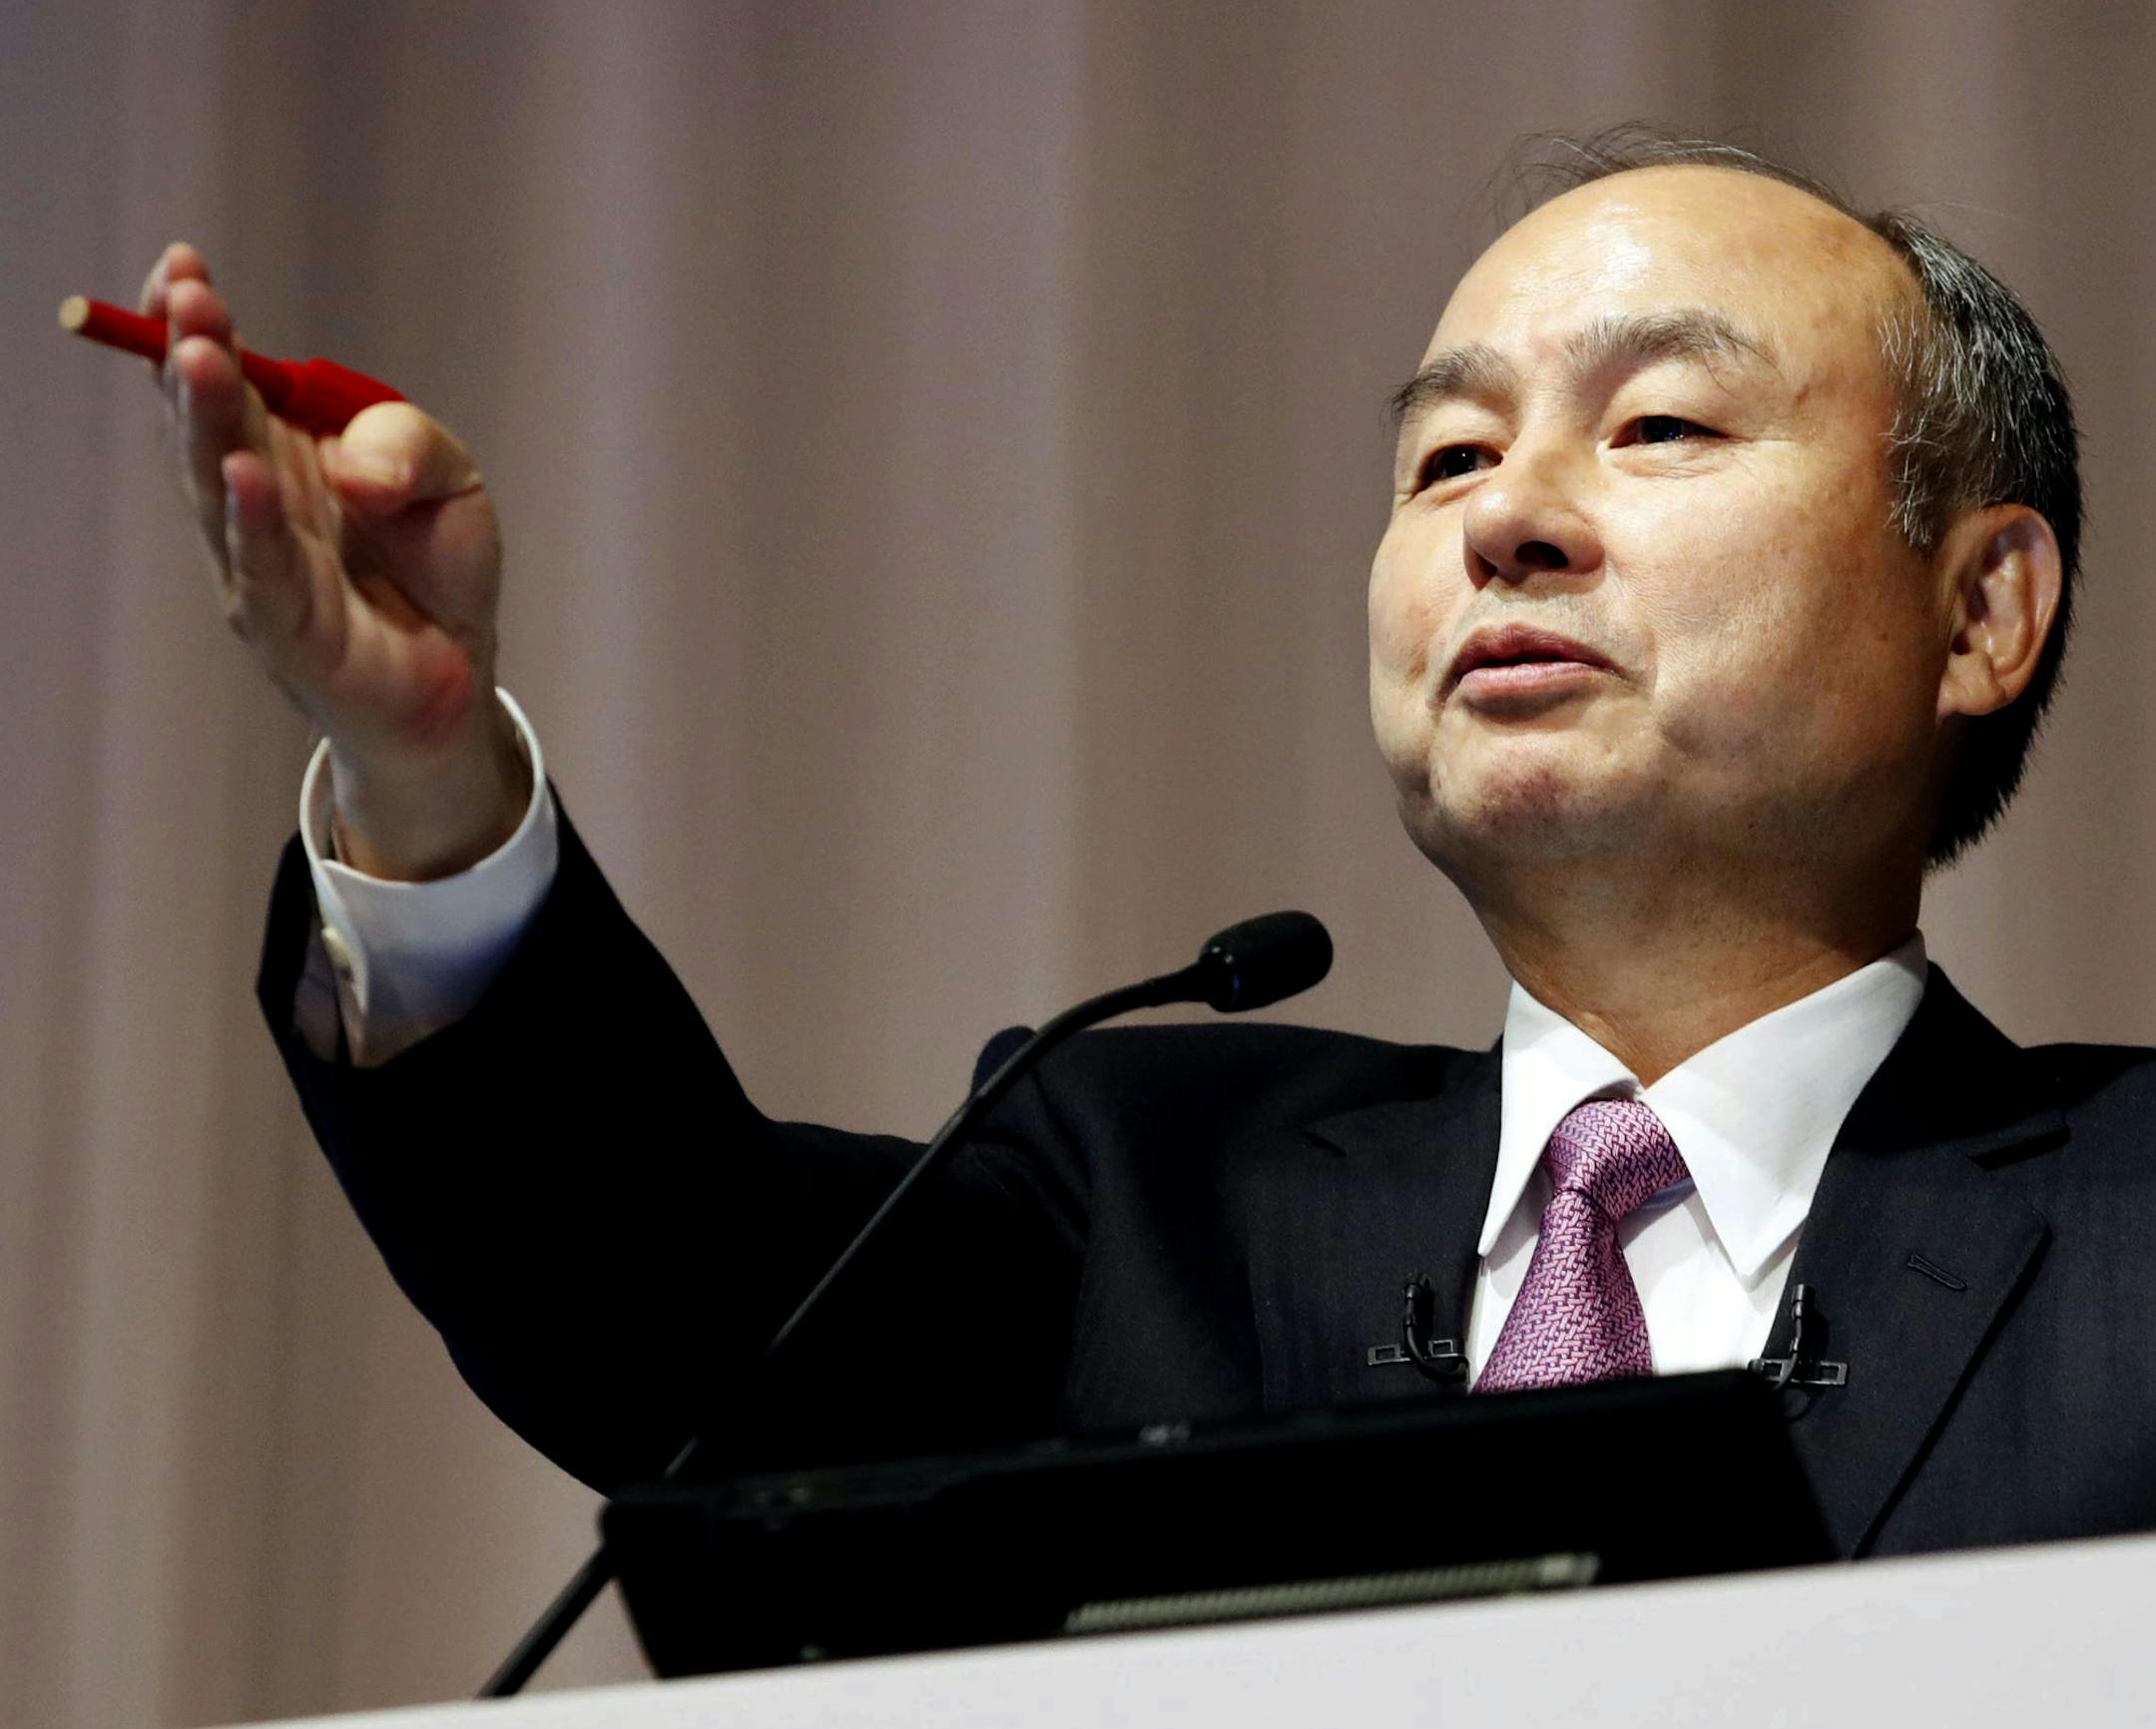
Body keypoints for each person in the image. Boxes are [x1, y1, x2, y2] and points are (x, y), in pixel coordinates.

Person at [146, 128, 2156, 1560]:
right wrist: (421, 778)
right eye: (1448, 455)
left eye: (1660, 429)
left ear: (1979, 610)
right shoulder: (1145, 1195)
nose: (1506, 521)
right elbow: (663, 1305)